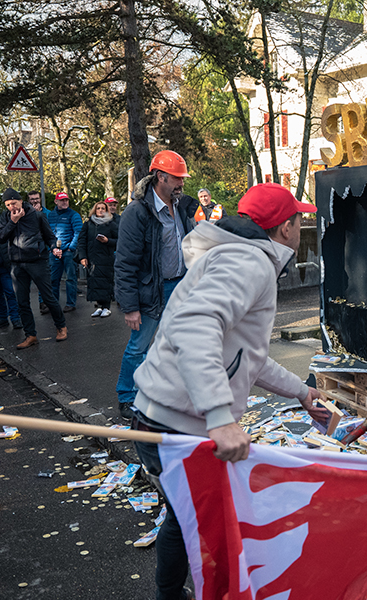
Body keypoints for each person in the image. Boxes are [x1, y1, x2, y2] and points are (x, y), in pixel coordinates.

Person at [129, 183, 328, 600]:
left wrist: (300, 393)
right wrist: (220, 416)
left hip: (166, 412)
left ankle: (174, 593)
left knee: (184, 516)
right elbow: (195, 327)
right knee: (200, 518)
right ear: (285, 228)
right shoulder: (250, 263)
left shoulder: (238, 255)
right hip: (176, 420)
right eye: (297, 218)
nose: (301, 224)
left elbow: (242, 356)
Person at [114, 150, 195, 419]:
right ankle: (127, 396)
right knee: (139, 346)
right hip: (151, 291)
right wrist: (130, 307)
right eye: (176, 178)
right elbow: (125, 262)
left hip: (180, 286)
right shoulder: (137, 213)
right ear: (160, 177)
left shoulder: (182, 206)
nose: (181, 183)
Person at [0, 187, 67, 348]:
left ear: (21, 201)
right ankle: (30, 335)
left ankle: (61, 326)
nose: (12, 207)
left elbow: (50, 236)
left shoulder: (37, 215)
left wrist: (54, 247)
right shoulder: (7, 218)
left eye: (14, 203)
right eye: (8, 205)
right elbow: (0, 238)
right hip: (16, 263)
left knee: (48, 297)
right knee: (22, 301)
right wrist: (13, 222)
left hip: (37, 261)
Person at [77, 201, 118, 318]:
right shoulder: (88, 223)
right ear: (94, 210)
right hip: (92, 259)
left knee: (105, 282)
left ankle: (106, 307)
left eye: (103, 208)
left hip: (106, 259)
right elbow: (82, 240)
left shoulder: (111, 224)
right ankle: (99, 306)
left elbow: (119, 240)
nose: (100, 210)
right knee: (94, 282)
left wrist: (107, 241)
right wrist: (82, 256)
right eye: (98, 208)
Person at [47, 192, 82, 312]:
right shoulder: (51, 215)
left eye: (66, 200)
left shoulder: (74, 215)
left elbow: (78, 233)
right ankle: (54, 304)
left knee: (70, 278)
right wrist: (53, 249)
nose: (65, 202)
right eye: (62, 200)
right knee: (53, 279)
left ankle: (70, 303)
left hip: (68, 252)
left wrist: (70, 248)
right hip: (54, 252)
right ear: (56, 202)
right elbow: (47, 233)